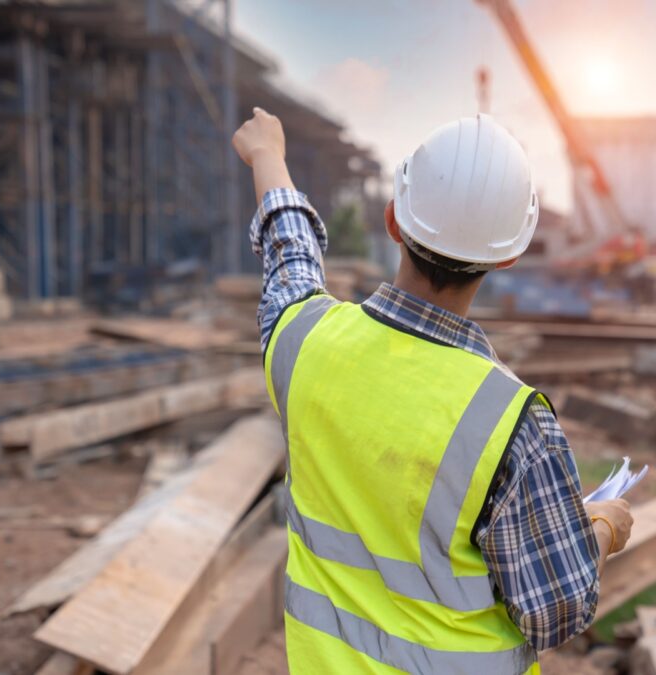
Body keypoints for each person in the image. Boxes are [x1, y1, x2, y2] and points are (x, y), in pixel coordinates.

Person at [232, 109, 633, 674]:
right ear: (510, 255)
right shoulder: (513, 422)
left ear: (394, 220)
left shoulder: (303, 343)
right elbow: (556, 611)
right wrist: (603, 527)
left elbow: (289, 261)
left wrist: (268, 157)